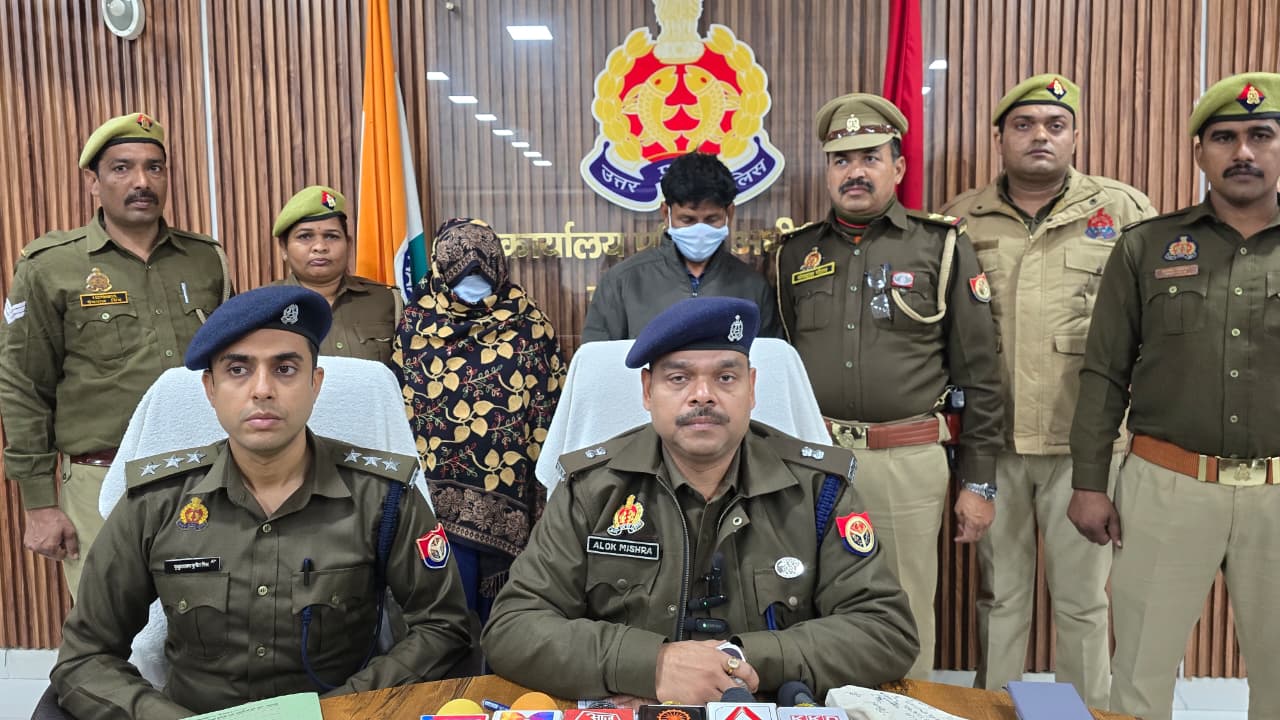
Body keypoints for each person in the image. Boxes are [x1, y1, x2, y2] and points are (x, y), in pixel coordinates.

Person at [50, 285, 472, 720]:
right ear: (210, 388)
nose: (262, 390)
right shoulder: (155, 502)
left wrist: (339, 711)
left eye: (285, 369)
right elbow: (85, 656)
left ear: (315, 384)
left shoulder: (384, 497)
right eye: (238, 370)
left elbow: (443, 626)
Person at [482, 296, 918, 704]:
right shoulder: (592, 490)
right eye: (679, 378)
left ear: (752, 388)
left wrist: (745, 659)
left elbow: (886, 630)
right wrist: (652, 665)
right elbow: (512, 627)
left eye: (725, 378)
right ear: (647, 390)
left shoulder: (818, 490)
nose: (703, 394)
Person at [1068, 72, 1280, 720]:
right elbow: (1105, 371)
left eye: (1261, 135)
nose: (1242, 151)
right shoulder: (1147, 245)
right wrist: (1089, 482)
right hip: (1167, 487)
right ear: (1198, 152)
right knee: (1139, 677)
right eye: (1224, 138)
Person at [940, 74, 1155, 707]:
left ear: (1076, 136)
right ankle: (998, 709)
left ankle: (1084, 711)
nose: (1040, 136)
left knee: (1084, 601)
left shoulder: (1123, 211)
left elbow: (1154, 326)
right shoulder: (962, 218)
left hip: (1084, 445)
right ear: (1000, 138)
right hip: (995, 445)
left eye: (1055, 125)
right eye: (1024, 125)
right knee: (1000, 598)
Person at [773, 93, 1002, 679]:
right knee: (808, 603)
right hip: (814, 460)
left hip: (907, 460)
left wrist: (979, 482)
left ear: (897, 167)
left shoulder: (940, 246)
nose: (855, 171)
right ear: (827, 172)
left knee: (904, 608)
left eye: (869, 157)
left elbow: (981, 374)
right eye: (841, 160)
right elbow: (776, 371)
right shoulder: (794, 254)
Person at [0, 112, 231, 599]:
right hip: (100, 480)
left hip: (202, 475)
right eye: (122, 168)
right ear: (94, 182)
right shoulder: (51, 266)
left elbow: (234, 365)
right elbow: (23, 384)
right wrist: (39, 503)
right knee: (109, 625)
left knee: (209, 617)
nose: (141, 181)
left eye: (154, 167)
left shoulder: (205, 258)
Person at [395, 217, 565, 623]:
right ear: (441, 269)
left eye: (482, 271)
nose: (473, 280)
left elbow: (552, 407)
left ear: (499, 267)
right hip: (434, 502)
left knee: (508, 622)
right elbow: (401, 409)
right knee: (444, 621)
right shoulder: (415, 325)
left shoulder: (531, 323)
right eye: (461, 272)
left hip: (515, 496)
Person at [581, 152, 782, 341]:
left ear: (729, 213)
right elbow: (598, 359)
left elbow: (769, 360)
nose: (700, 230)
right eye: (687, 219)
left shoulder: (753, 287)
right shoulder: (622, 283)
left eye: (712, 219)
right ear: (666, 214)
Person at [271, 185, 401, 369]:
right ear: (284, 248)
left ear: (348, 245)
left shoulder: (386, 300)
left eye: (331, 236)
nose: (320, 247)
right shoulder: (263, 306)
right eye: (305, 236)